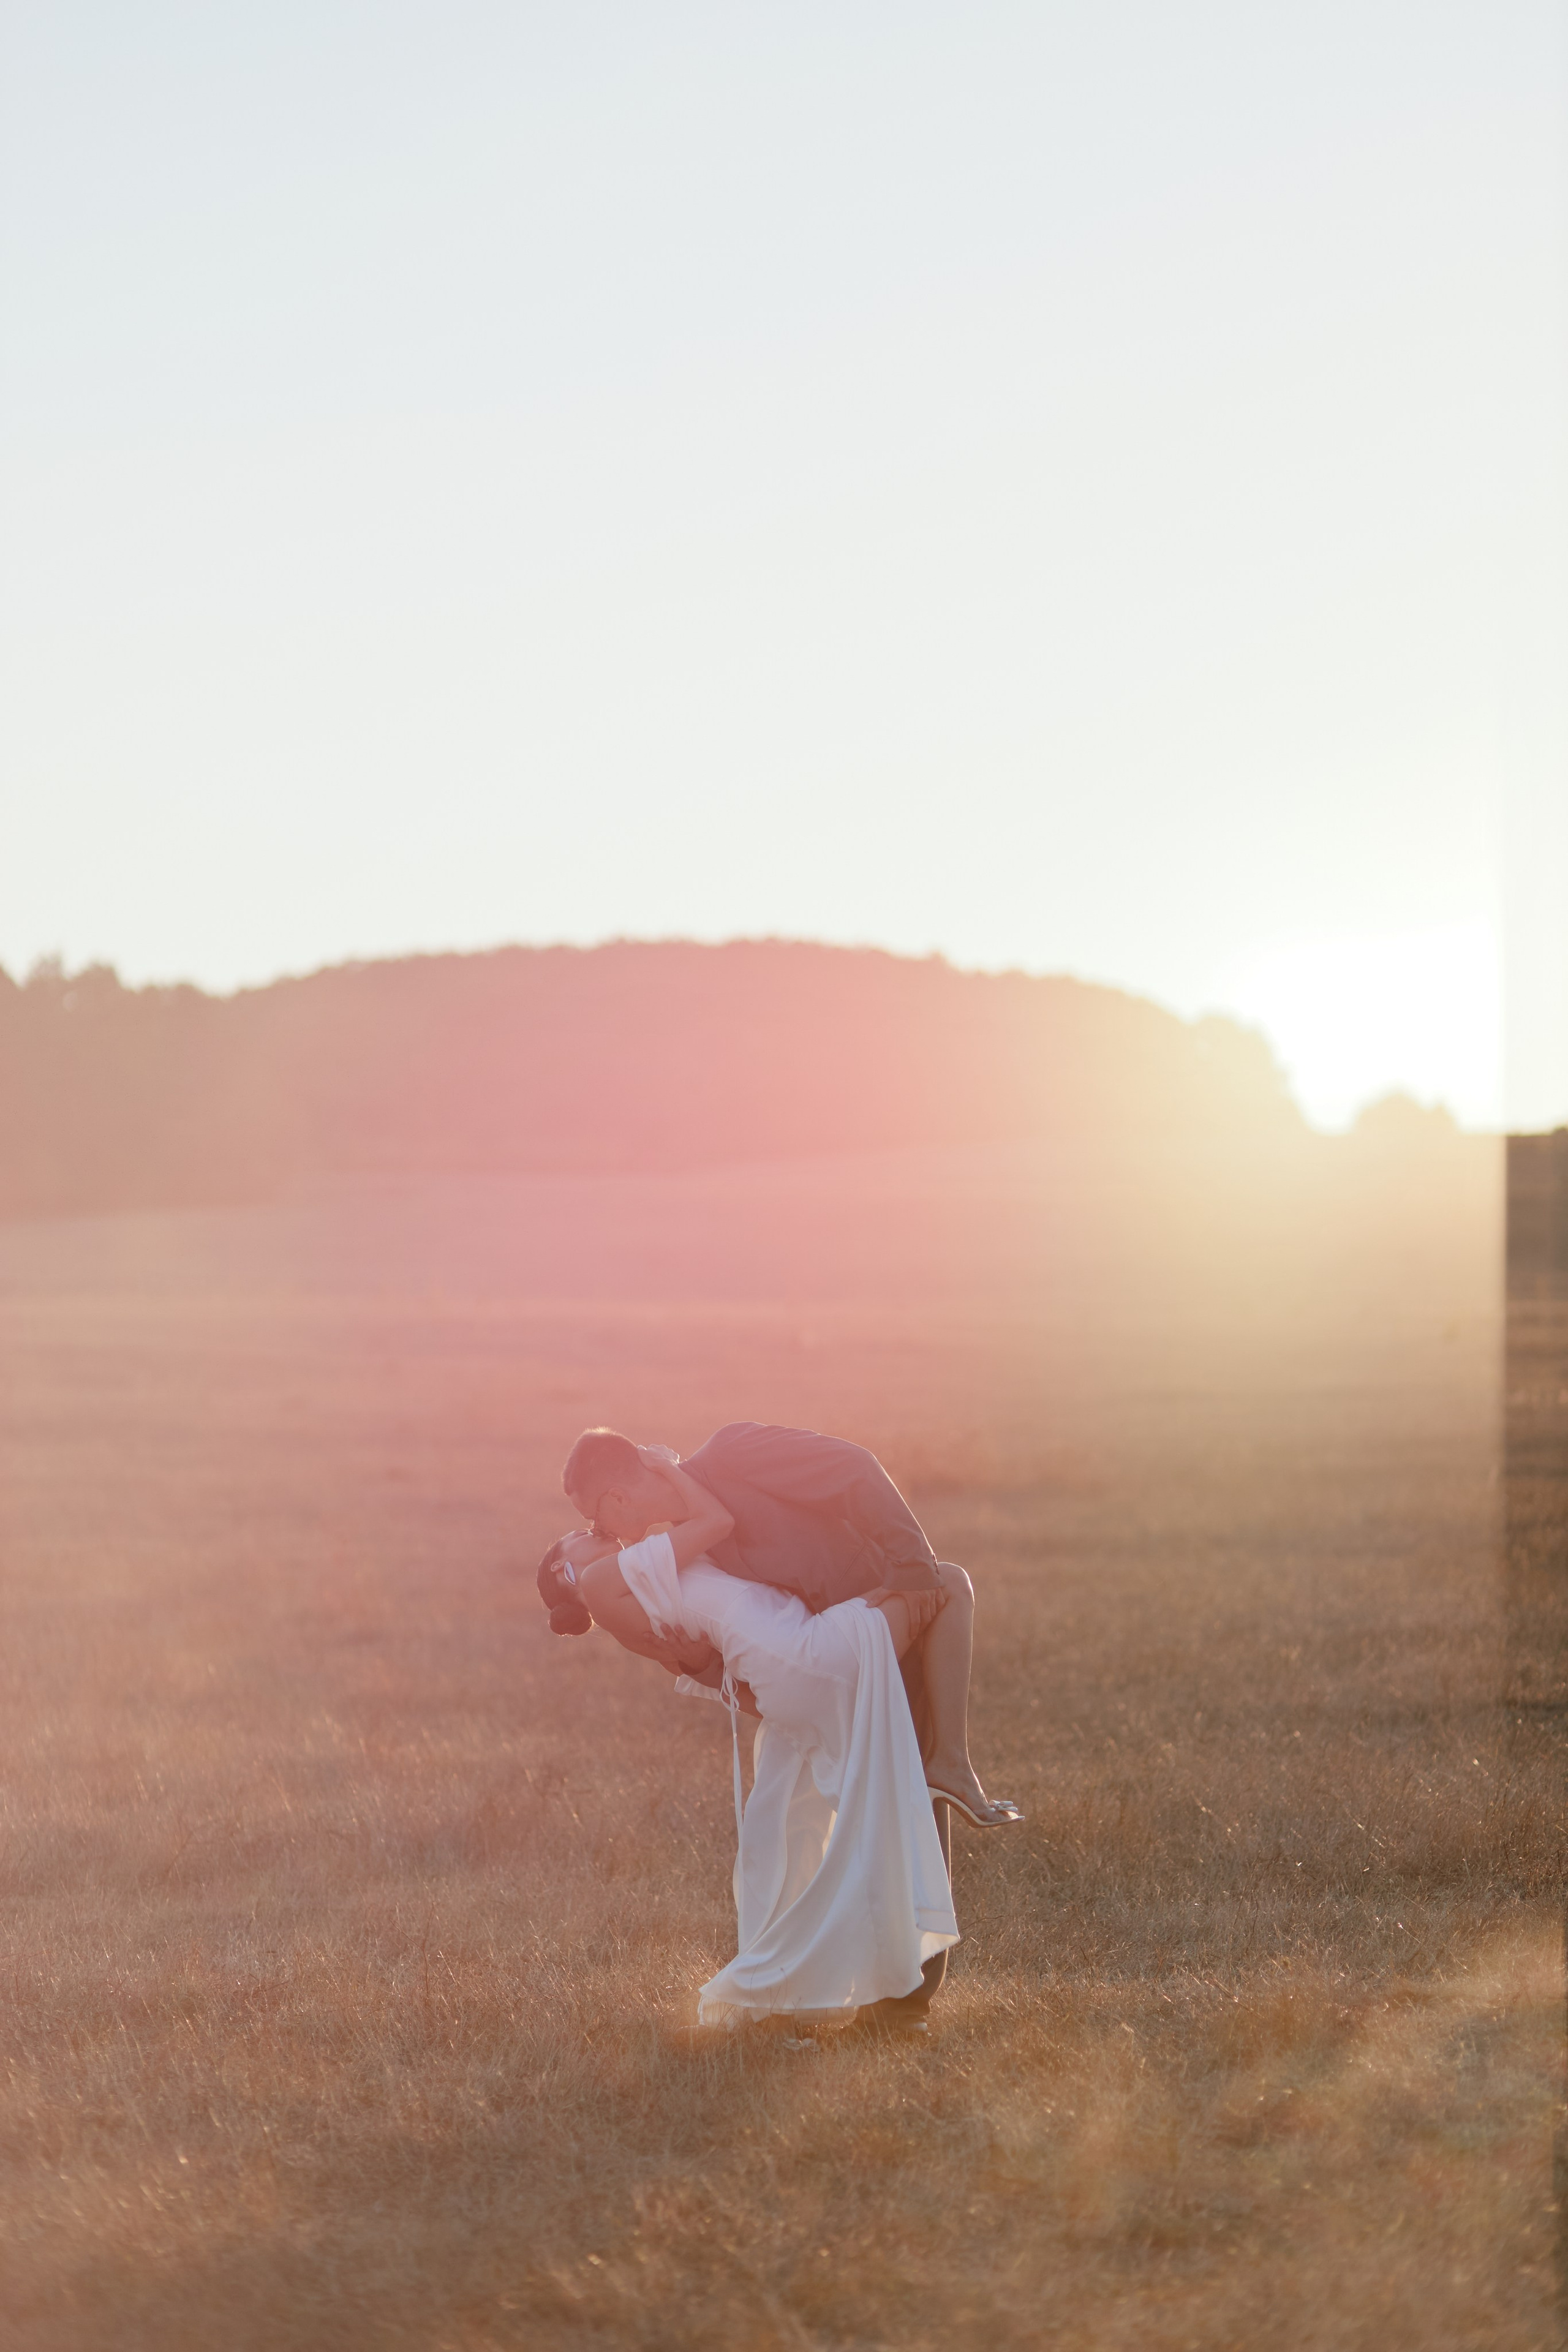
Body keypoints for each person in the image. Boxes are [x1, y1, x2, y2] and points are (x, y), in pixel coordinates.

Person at [537, 1456, 959, 2035]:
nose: (597, 1530)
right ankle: (879, 1988)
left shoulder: (642, 1574)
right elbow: (714, 1527)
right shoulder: (608, 1582)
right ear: (566, 1571)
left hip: (793, 1667)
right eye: (583, 1532)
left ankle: (790, 1990)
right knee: (946, 1590)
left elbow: (717, 1670)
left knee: (781, 1832)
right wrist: (670, 1467)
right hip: (803, 1659)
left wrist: (786, 1701)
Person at [561, 1422, 1021, 1830]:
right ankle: (946, 1786)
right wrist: (697, 1663)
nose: (600, 1529)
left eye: (592, 1517)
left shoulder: (732, 1450)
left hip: (882, 1594)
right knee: (903, 1784)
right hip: (833, 1644)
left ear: (616, 1496)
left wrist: (911, 1569)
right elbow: (747, 1643)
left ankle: (950, 1776)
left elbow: (855, 1468)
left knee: (920, 1764)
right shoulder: (690, 1547)